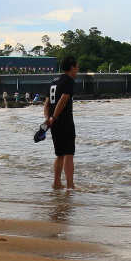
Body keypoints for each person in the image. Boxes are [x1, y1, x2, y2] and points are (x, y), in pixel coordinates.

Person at [43, 55, 80, 190]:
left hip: (55, 124)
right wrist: (54, 117)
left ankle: (57, 183)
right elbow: (63, 100)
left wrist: (49, 120)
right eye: (77, 67)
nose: (77, 70)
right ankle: (70, 185)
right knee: (69, 154)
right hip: (64, 121)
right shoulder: (69, 81)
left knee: (59, 154)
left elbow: (47, 103)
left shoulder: (53, 81)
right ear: (71, 68)